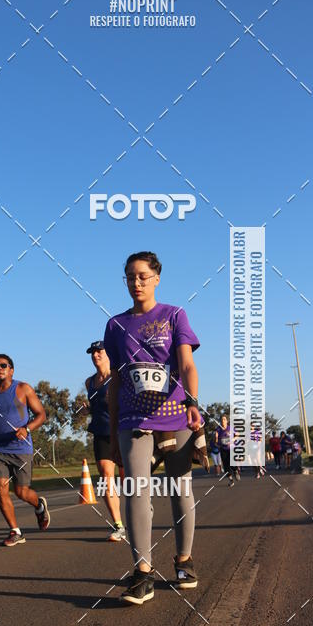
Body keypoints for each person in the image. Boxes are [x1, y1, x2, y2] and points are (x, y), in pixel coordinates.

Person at [104, 251, 208, 607]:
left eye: (143, 276)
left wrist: (193, 401)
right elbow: (116, 381)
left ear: (157, 278)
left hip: (175, 414)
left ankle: (184, 561)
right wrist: (114, 422)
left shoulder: (174, 314)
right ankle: (143, 573)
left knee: (180, 488)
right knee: (136, 491)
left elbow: (187, 364)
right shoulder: (115, 325)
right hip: (132, 419)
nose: (136, 282)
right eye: (130, 276)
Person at [0, 354, 50, 546]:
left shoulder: (23, 389)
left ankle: (39, 505)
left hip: (21, 448)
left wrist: (26, 428)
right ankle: (15, 531)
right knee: (1, 490)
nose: (0, 368)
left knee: (21, 492)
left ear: (11, 369)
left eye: (4, 365)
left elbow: (41, 415)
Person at [79, 340, 126, 541]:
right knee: (107, 477)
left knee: (128, 479)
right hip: (101, 432)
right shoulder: (89, 382)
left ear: (108, 353)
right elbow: (95, 406)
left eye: (99, 351)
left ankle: (141, 506)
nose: (95, 355)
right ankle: (118, 525)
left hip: (121, 431)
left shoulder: (119, 375)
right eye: (92, 352)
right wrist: (87, 409)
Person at [216, 415, 240, 486]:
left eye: (224, 419)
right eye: (221, 419)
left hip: (231, 448)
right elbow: (216, 439)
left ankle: (235, 471)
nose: (222, 421)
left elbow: (237, 434)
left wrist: (233, 439)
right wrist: (217, 442)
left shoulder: (230, 428)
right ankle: (231, 481)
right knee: (226, 466)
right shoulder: (218, 429)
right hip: (223, 449)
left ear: (227, 421)